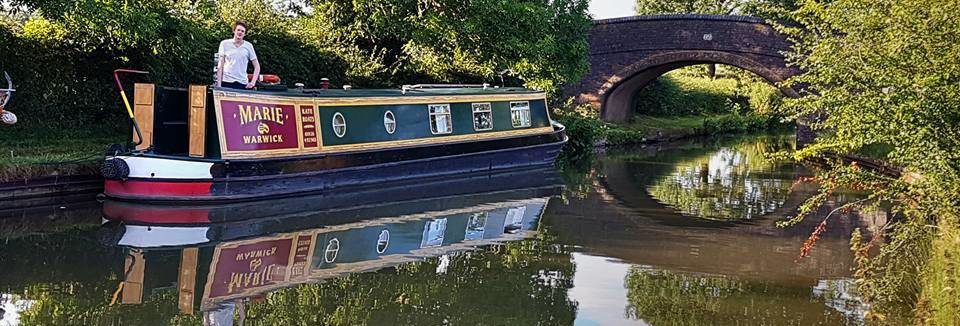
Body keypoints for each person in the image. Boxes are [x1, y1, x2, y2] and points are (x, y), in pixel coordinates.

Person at [216, 21, 260, 90]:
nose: (240, 32)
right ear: (234, 31)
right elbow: (220, 65)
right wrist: (219, 85)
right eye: (238, 30)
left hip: (242, 83)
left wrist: (252, 83)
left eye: (242, 31)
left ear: (245, 34)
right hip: (226, 82)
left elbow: (257, 66)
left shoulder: (249, 46)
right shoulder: (224, 44)